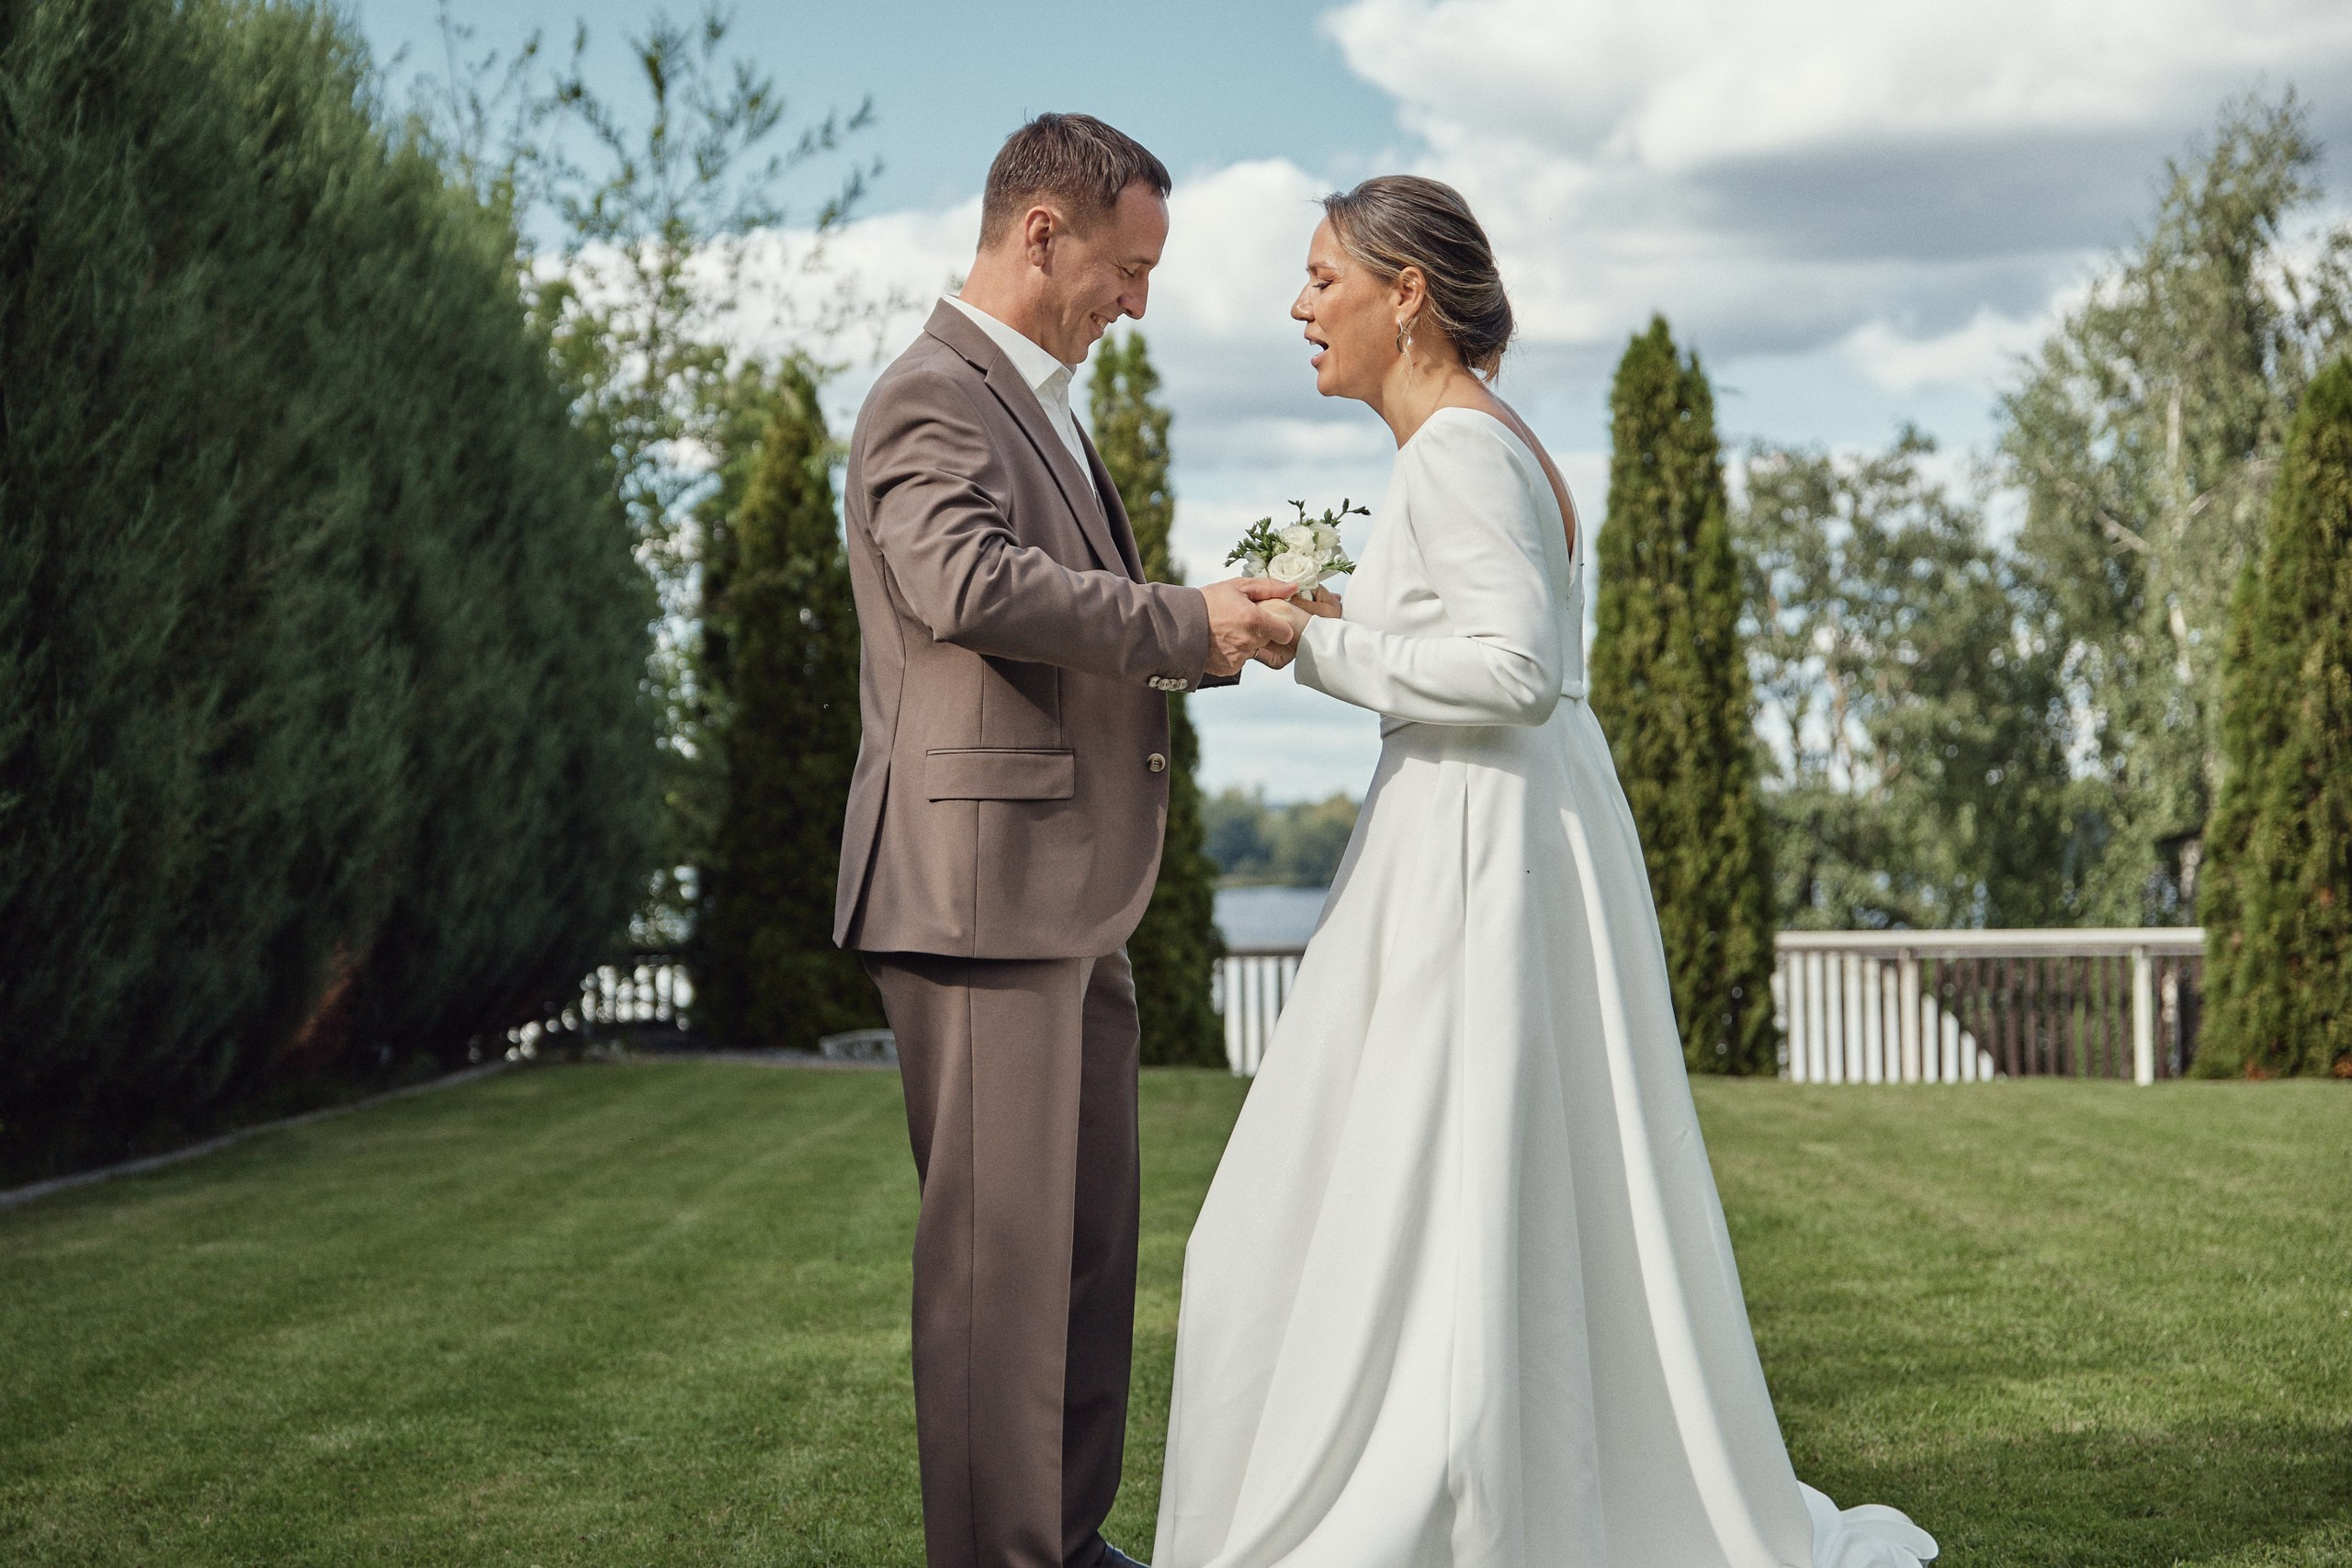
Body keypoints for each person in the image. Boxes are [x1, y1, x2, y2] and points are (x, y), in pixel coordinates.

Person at [1152, 176, 1939, 1568]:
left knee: (1388, 1184)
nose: (1298, 305)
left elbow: (1512, 673)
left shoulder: (1457, 450)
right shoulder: (1479, 444)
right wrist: (1344, 609)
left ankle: (1447, 1495)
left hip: (1479, 852)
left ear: (1408, 296)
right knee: (1434, 1176)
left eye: (1323, 276)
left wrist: (1310, 648)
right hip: (1493, 830)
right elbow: (1485, 640)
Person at [832, 114, 1298, 1568]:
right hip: (977, 902)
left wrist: (1211, 622)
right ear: (1043, 234)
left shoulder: (1029, 401)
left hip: (1062, 906)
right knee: (1000, 1285)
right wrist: (1183, 622)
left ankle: (1071, 1544)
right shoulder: (932, 394)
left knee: (1087, 1270)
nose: (1139, 303)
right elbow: (968, 582)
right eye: (1128, 267)